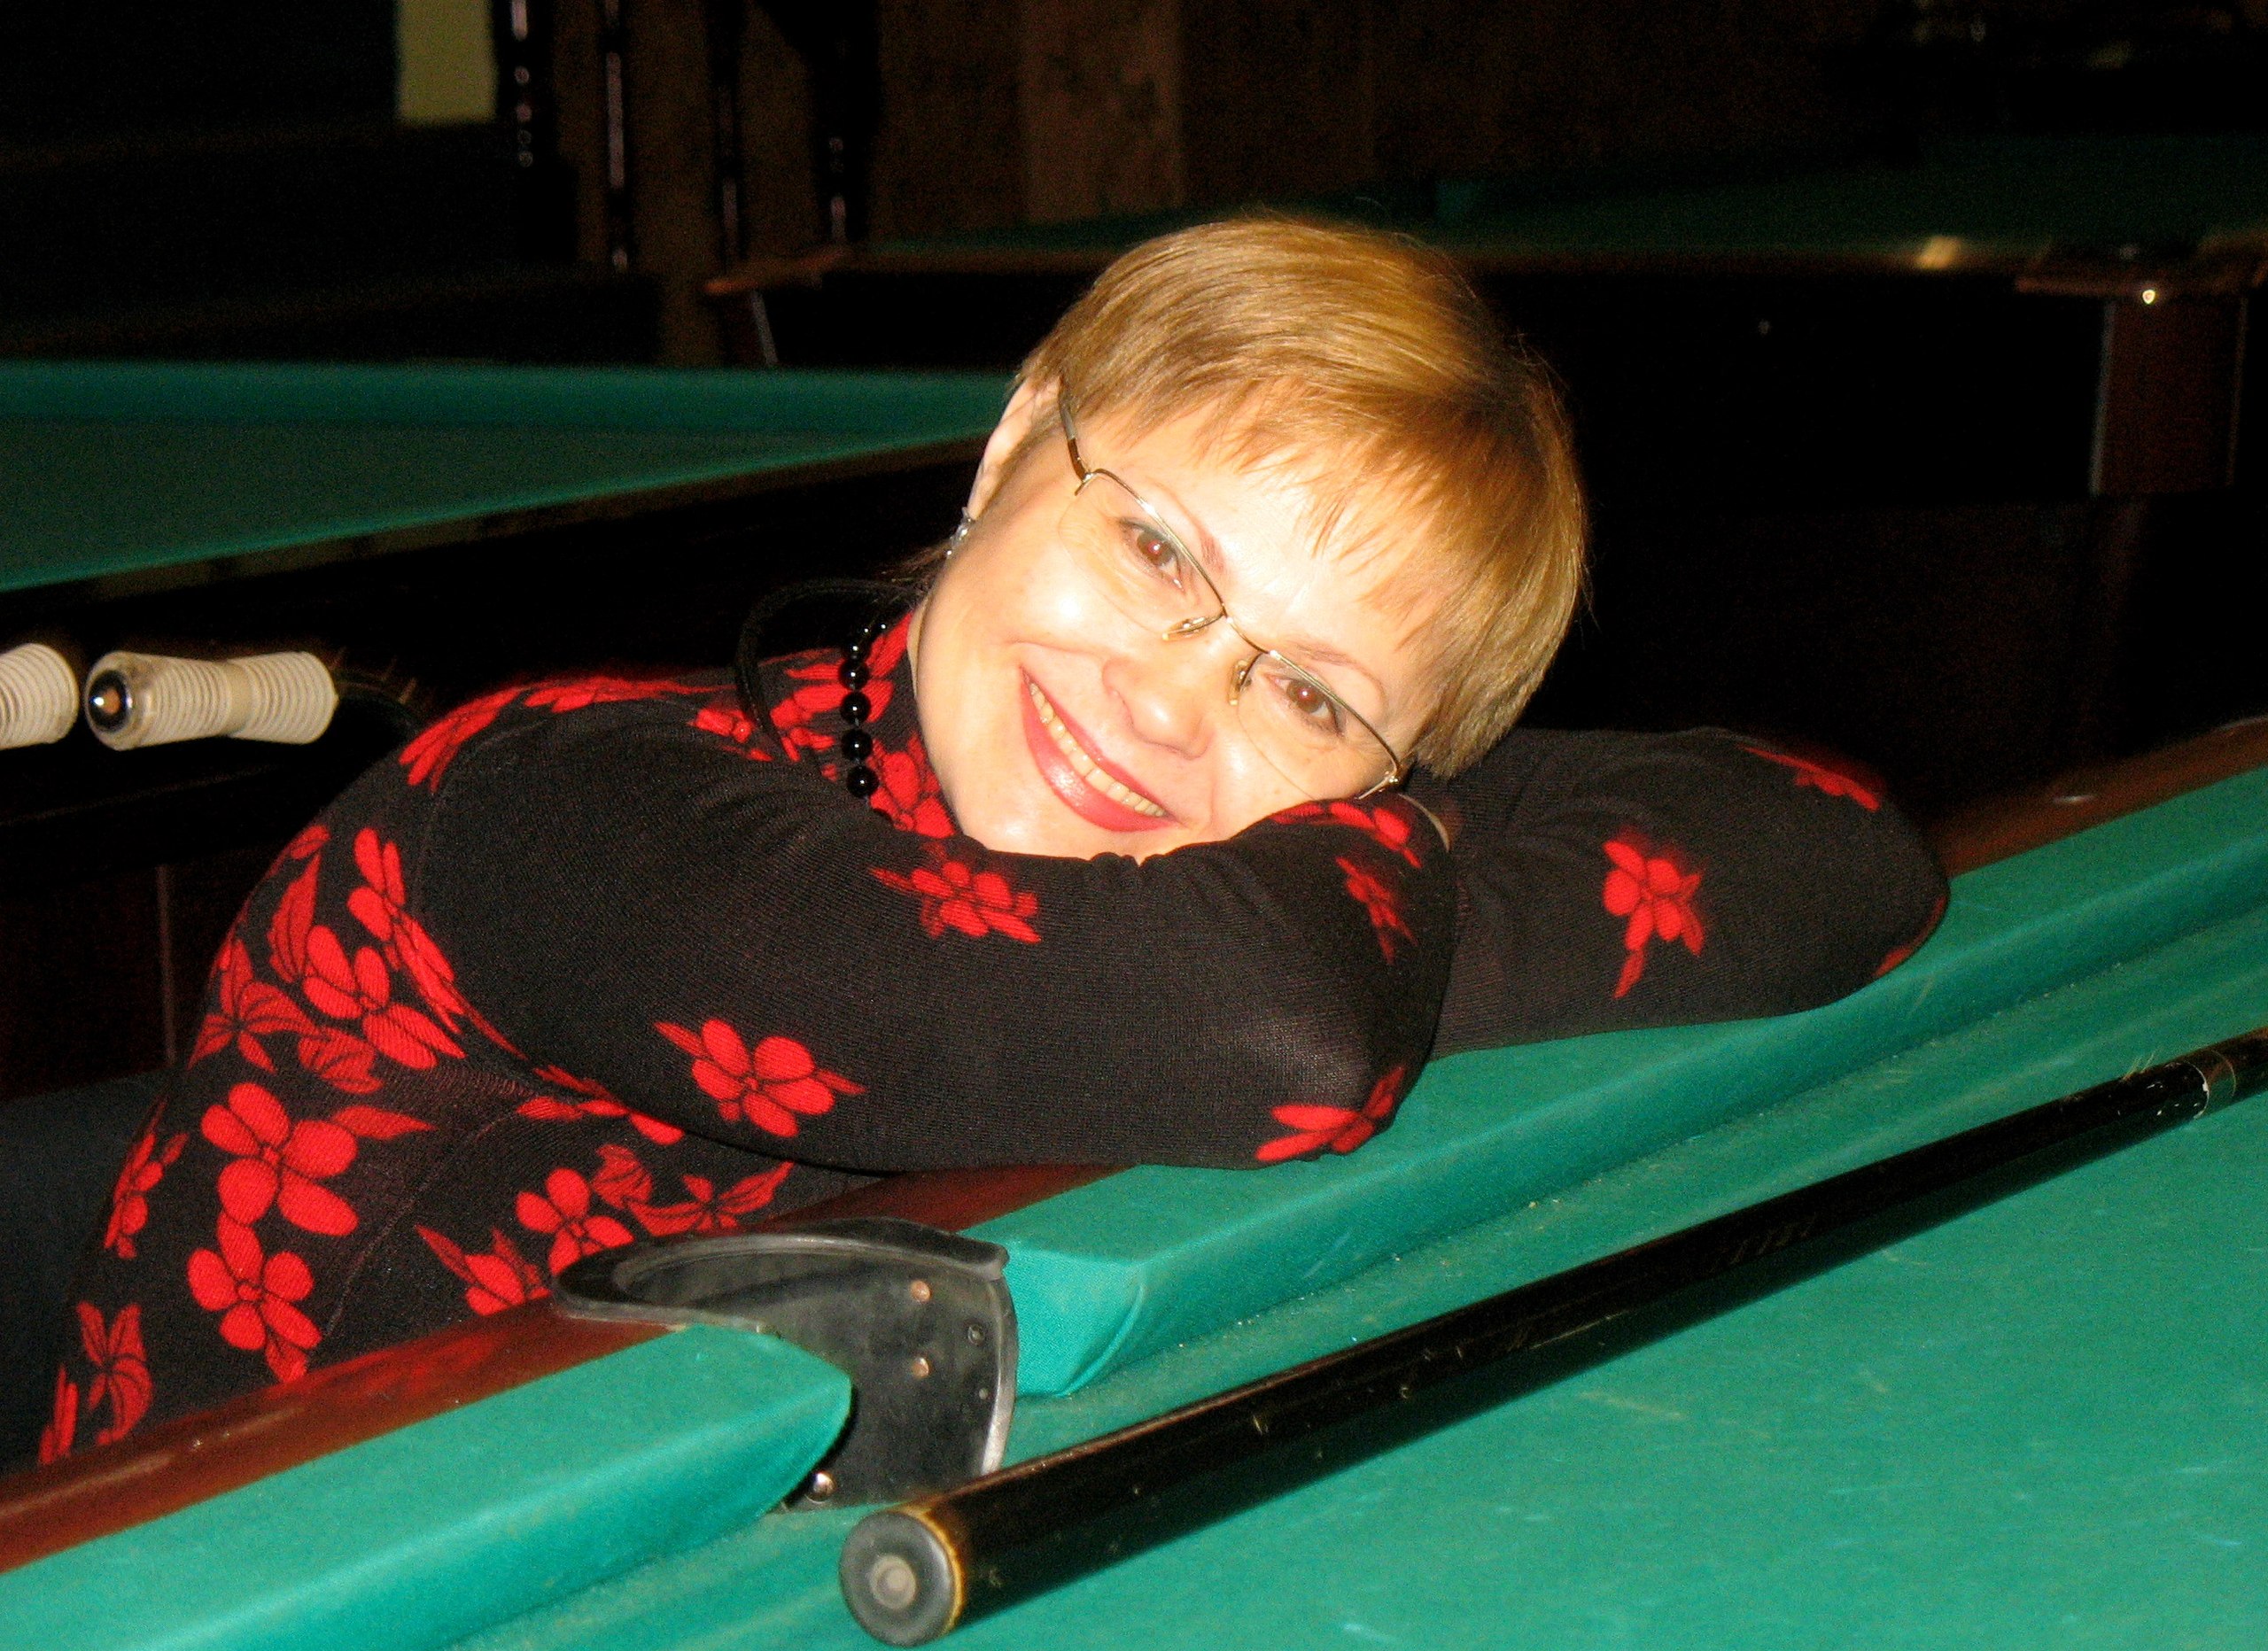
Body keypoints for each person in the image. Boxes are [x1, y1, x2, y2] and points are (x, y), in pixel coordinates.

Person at [39, 218, 1944, 1461]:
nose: (1167, 704)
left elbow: (1843, 853)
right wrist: (1354, 886)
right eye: (1156, 550)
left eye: (1305, 692)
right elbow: (1268, 1026)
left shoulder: (1289, 827)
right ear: (1016, 441)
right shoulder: (560, 808)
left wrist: (1368, 872)